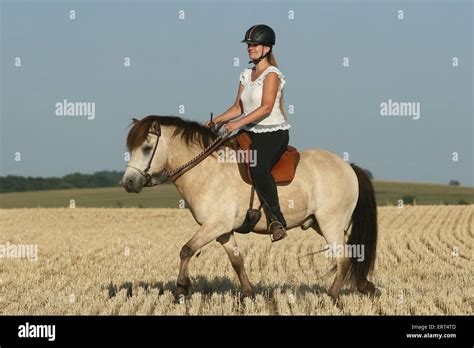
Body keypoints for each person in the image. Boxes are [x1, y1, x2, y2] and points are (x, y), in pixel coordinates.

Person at [205, 24, 291, 242]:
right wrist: (216, 121)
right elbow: (237, 108)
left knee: (258, 166)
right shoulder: (246, 74)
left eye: (254, 45)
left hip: (272, 133)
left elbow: (266, 108)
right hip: (248, 132)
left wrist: (237, 124)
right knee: (220, 156)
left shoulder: (272, 74)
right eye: (249, 45)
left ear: (267, 48)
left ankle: (277, 220)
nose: (250, 48)